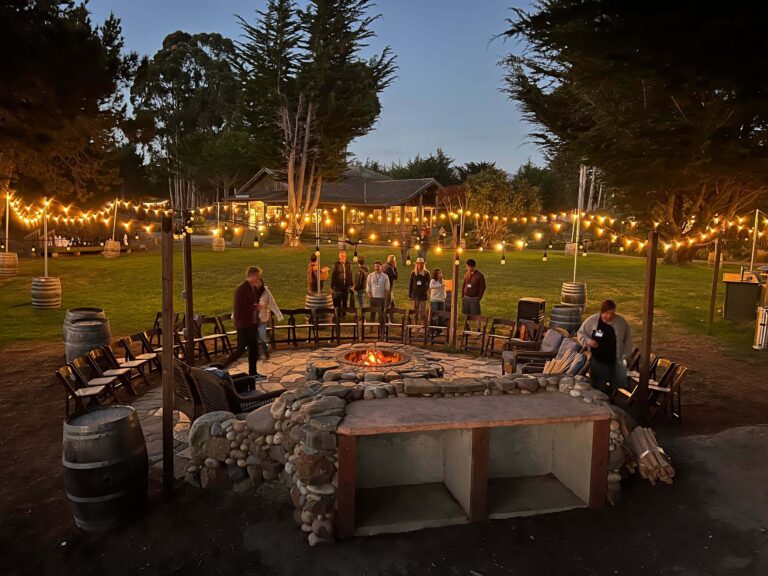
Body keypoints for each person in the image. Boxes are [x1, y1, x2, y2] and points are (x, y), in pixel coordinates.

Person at [577, 299, 632, 395]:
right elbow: (581, 333)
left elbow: (627, 341)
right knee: (598, 387)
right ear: (601, 312)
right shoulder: (593, 320)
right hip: (598, 360)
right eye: (606, 313)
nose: (609, 316)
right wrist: (588, 341)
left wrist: (627, 357)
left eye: (612, 313)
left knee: (616, 386)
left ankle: (611, 404)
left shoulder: (620, 322)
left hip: (616, 360)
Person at [231, 266, 266, 382]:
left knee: (254, 349)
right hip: (244, 325)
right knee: (241, 350)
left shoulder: (252, 288)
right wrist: (256, 307)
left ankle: (253, 372)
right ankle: (220, 366)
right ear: (251, 275)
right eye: (257, 276)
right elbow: (242, 308)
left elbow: (260, 293)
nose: (258, 278)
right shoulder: (242, 289)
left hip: (251, 324)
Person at [255, 272, 283, 361]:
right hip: (253, 319)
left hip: (263, 319)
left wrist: (278, 315)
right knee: (254, 337)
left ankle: (265, 352)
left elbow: (272, 303)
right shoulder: (250, 291)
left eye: (259, 282)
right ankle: (257, 354)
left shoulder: (266, 292)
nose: (258, 284)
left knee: (262, 336)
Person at [429, 268, 446, 333]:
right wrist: (440, 285)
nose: (440, 274)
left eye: (440, 273)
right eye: (438, 273)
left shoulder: (443, 281)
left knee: (441, 316)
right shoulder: (433, 280)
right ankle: (433, 330)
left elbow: (443, 287)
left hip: (441, 300)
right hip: (434, 300)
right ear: (436, 274)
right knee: (434, 316)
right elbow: (431, 286)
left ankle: (439, 330)